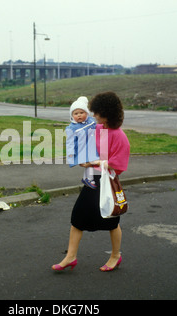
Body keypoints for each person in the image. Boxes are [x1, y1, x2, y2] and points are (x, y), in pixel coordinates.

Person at [52, 91, 130, 272]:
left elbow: (119, 165)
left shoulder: (119, 136)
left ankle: (115, 256)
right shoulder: (96, 128)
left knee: (112, 219)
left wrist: (95, 162)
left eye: (96, 112)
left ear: (107, 112)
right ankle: (70, 257)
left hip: (106, 182)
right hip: (90, 179)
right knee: (77, 218)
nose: (93, 115)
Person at [65, 96, 100, 189]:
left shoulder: (91, 121)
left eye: (82, 112)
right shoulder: (72, 128)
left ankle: (86, 178)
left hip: (92, 146)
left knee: (91, 162)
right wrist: (71, 154)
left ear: (87, 113)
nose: (79, 115)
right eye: (76, 113)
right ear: (72, 116)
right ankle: (89, 178)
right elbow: (69, 142)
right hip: (82, 149)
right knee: (90, 162)